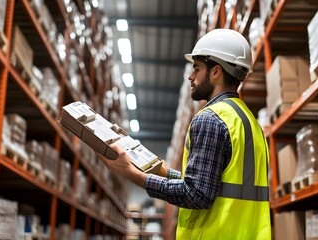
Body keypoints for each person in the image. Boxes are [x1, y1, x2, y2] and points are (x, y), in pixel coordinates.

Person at [96, 28, 271, 239]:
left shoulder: (211, 119)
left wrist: (133, 175)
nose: (191, 76)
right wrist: (162, 170)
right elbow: (212, 183)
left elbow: (197, 194)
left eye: (197, 68)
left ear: (216, 72)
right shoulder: (250, 124)